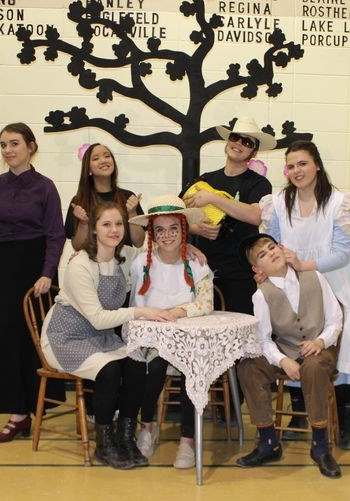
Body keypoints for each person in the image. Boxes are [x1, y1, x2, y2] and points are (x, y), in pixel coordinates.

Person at [40, 201, 173, 469]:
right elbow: (99, 319)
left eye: (119, 224)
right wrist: (140, 312)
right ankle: (104, 443)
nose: (114, 230)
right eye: (106, 224)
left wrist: (188, 248)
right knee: (111, 371)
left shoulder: (124, 257)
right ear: (95, 230)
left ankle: (125, 437)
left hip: (100, 338)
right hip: (66, 336)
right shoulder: (81, 265)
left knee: (137, 363)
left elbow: (159, 253)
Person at [259, 140, 350, 450]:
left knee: (341, 354)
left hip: (335, 283)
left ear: (317, 164)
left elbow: (342, 253)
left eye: (302, 164)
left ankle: (345, 423)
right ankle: (298, 415)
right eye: (290, 166)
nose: (296, 171)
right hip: (294, 286)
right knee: (295, 344)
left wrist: (305, 265)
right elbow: (272, 244)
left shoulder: (340, 202)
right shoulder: (277, 203)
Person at [0, 122, 66, 443]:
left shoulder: (45, 187)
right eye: (3, 144)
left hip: (36, 271)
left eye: (14, 143)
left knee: (34, 341)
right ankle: (17, 413)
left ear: (31, 146)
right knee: (4, 339)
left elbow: (56, 234)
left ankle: (37, 407)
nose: (8, 150)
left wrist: (46, 273)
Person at [235, 234, 343, 478]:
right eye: (262, 254)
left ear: (282, 249)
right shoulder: (262, 294)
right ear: (256, 268)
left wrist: (320, 341)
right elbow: (262, 339)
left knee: (313, 367)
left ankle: (320, 446)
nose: (271, 253)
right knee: (248, 366)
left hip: (320, 348)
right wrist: (283, 360)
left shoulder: (314, 276)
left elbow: (336, 319)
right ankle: (268, 442)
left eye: (272, 247)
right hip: (286, 349)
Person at [127, 196, 213, 468]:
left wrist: (178, 312)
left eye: (174, 228)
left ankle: (187, 440)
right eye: (160, 230)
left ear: (183, 230)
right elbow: (135, 304)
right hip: (151, 338)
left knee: (190, 369)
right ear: (152, 233)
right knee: (154, 367)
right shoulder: (141, 263)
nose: (167, 235)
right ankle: (148, 425)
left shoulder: (196, 263)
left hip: (187, 338)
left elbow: (206, 302)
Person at [182, 116, 277, 314]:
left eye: (247, 142)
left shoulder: (259, 184)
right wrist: (196, 228)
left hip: (240, 274)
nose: (239, 144)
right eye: (235, 137)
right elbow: (176, 219)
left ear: (254, 151)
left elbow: (255, 215)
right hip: (202, 270)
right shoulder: (205, 179)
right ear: (228, 141)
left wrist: (213, 198)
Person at [65, 142, 144, 250]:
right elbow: (77, 247)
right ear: (88, 169)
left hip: (124, 263)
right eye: (96, 158)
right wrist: (83, 224)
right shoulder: (79, 201)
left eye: (107, 156)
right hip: (92, 264)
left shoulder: (128, 197)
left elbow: (139, 242)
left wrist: (132, 213)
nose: (103, 160)